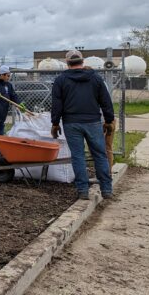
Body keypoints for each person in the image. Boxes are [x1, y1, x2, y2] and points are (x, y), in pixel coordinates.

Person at [50, 49, 114, 200]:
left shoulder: (61, 80)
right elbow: (106, 101)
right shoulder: (95, 78)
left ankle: (83, 191)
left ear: (67, 62)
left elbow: (57, 104)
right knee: (100, 155)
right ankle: (106, 190)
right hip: (93, 122)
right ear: (82, 61)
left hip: (71, 123)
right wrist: (109, 120)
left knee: (78, 156)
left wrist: (55, 123)